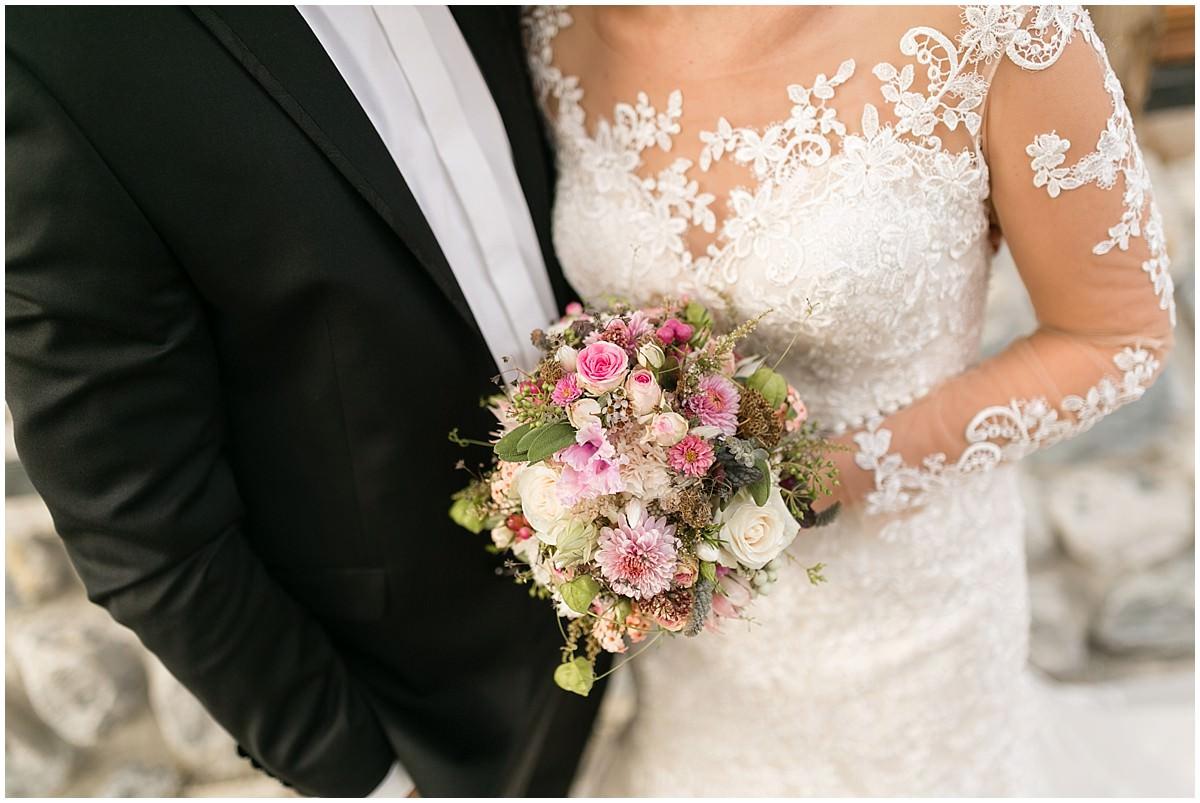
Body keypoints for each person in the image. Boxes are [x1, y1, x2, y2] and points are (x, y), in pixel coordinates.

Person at [525, 4, 1186, 795]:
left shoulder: (995, 25)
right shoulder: (555, 28)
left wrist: (826, 473)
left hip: (909, 629)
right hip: (698, 656)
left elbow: (1116, 336)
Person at [6, 6, 603, 797]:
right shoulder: (53, 45)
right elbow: (138, 521)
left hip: (685, 602)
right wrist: (369, 780)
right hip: (439, 711)